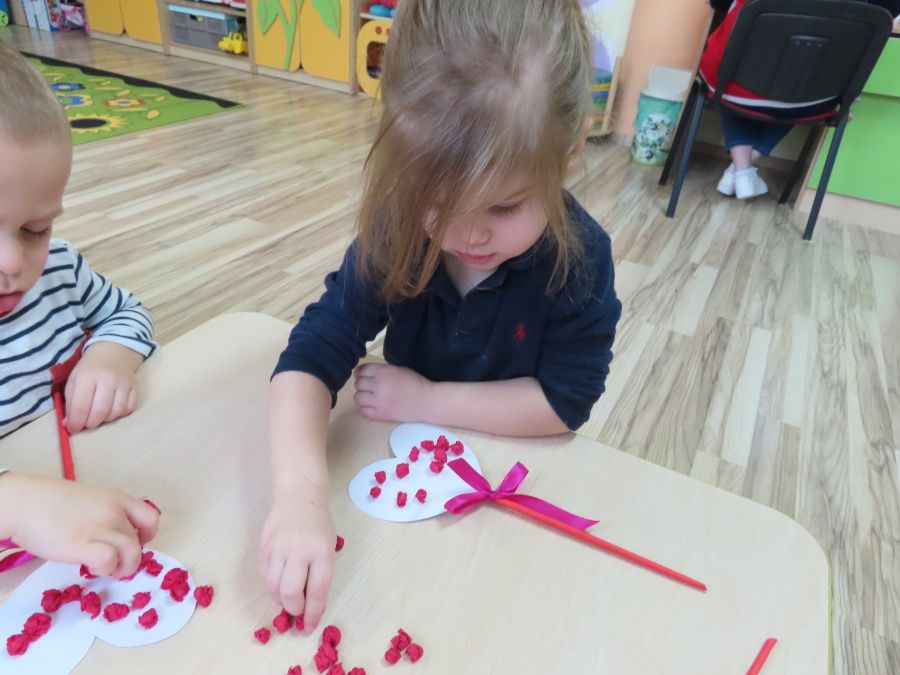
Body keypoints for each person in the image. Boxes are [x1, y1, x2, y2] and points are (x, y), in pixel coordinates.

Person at [260, 0, 622, 629]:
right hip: (403, 463)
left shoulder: (580, 259)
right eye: (436, 202)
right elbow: (314, 349)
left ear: (568, 155)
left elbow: (566, 402)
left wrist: (428, 400)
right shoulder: (397, 227)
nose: (468, 236)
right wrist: (298, 496)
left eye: (504, 207)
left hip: (514, 473)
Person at [0, 42, 160, 578]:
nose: (12, 262)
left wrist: (110, 357)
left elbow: (127, 313)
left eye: (35, 229)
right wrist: (18, 504)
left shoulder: (58, 271)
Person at [701, 0, 900, 200]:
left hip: (731, 88)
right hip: (812, 99)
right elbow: (888, 15)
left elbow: (718, 2)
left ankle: (741, 169)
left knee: (733, 77)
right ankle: (742, 171)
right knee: (800, 89)